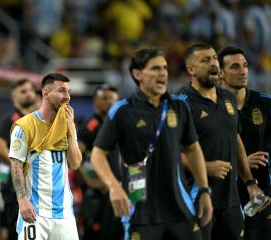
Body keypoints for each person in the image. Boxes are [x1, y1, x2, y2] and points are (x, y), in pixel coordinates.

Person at [91, 47, 213, 240]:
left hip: (180, 209)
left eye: (164, 68)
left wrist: (205, 190)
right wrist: (114, 186)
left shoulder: (179, 107)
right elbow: (97, 154)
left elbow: (192, 148)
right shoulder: (123, 110)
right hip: (140, 212)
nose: (163, 73)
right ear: (137, 74)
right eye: (155, 68)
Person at [179, 43, 265, 240]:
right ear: (191, 69)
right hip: (196, 199)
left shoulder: (227, 98)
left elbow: (235, 139)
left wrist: (250, 182)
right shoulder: (181, 104)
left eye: (214, 59)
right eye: (205, 60)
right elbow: (166, 152)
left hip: (231, 201)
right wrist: (206, 167)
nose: (213, 64)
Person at [9, 73, 82, 240]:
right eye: (62, 91)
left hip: (65, 214)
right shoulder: (25, 126)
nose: (67, 97)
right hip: (35, 212)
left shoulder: (68, 125)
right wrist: (22, 200)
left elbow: (75, 164)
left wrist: (71, 132)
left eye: (69, 92)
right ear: (46, 93)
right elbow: (16, 165)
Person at [218, 45, 271, 240]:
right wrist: (241, 164)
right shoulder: (212, 108)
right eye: (234, 67)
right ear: (220, 73)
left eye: (245, 65)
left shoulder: (265, 104)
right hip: (222, 198)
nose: (243, 71)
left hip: (260, 197)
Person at [0, 79, 37, 240]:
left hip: (31, 185)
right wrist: (17, 165)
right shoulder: (12, 118)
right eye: (23, 91)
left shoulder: (33, 119)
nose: (28, 94)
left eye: (30, 90)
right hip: (14, 187)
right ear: (13, 97)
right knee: (15, 230)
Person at [77, 84, 122, 240]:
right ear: (95, 102)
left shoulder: (118, 124)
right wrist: (88, 181)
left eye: (113, 98)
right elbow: (74, 156)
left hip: (116, 190)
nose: (109, 102)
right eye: (104, 98)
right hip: (96, 195)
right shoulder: (92, 125)